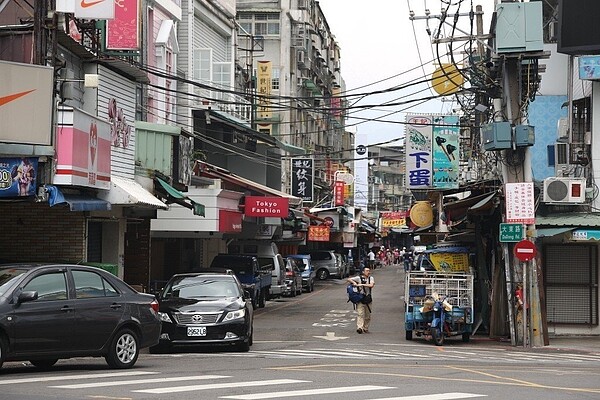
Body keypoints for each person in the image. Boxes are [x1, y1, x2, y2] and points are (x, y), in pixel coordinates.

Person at [347, 267, 375, 333]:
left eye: (369, 271)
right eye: (367, 271)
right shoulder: (358, 278)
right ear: (363, 272)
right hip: (360, 298)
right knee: (360, 314)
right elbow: (349, 279)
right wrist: (354, 283)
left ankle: (365, 327)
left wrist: (361, 284)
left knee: (368, 315)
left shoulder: (371, 278)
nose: (368, 272)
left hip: (368, 299)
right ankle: (359, 327)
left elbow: (371, 285)